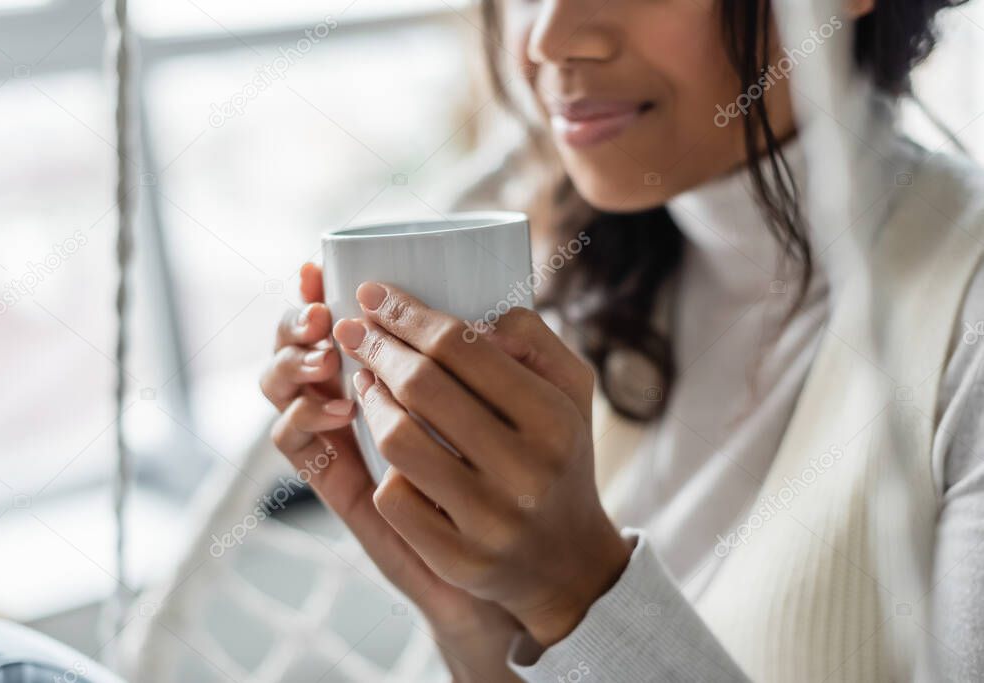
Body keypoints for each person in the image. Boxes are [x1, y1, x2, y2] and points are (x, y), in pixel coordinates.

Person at [260, 0, 984, 680]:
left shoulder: (962, 323)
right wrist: (480, 623)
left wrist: (573, 588)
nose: (546, 38)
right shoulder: (570, 284)